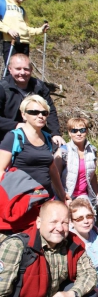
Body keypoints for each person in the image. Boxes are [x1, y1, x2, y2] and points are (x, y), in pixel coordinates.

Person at [0, 95, 68, 234]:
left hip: (43, 200)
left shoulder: (48, 138)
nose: (40, 116)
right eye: (34, 112)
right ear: (24, 115)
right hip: (21, 200)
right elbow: (0, 169)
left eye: (44, 113)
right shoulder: (14, 137)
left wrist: (61, 194)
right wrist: (13, 196)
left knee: (39, 241)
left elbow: (52, 168)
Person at [0, 200, 98, 297]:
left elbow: (89, 274)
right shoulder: (17, 246)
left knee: (90, 294)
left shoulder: (73, 243)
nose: (60, 228)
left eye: (64, 223)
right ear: (38, 222)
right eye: (53, 222)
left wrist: (71, 293)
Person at [0, 53, 64, 145]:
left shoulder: (39, 86)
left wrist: (55, 133)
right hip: (8, 138)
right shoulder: (2, 87)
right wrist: (16, 125)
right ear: (10, 69)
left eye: (26, 69)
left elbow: (50, 110)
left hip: (38, 136)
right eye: (18, 69)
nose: (22, 72)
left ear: (31, 69)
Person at [54, 118, 98, 212]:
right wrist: (63, 196)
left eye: (82, 130)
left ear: (86, 131)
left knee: (88, 221)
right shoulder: (63, 151)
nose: (79, 133)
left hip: (83, 196)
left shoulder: (92, 151)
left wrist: (97, 195)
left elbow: (92, 175)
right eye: (74, 131)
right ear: (69, 133)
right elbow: (55, 177)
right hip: (65, 196)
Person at [0, 0, 49, 66]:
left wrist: (40, 30)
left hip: (25, 43)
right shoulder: (2, 2)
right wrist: (8, 30)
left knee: (24, 69)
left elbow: (26, 29)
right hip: (11, 42)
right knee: (11, 70)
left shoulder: (21, 9)